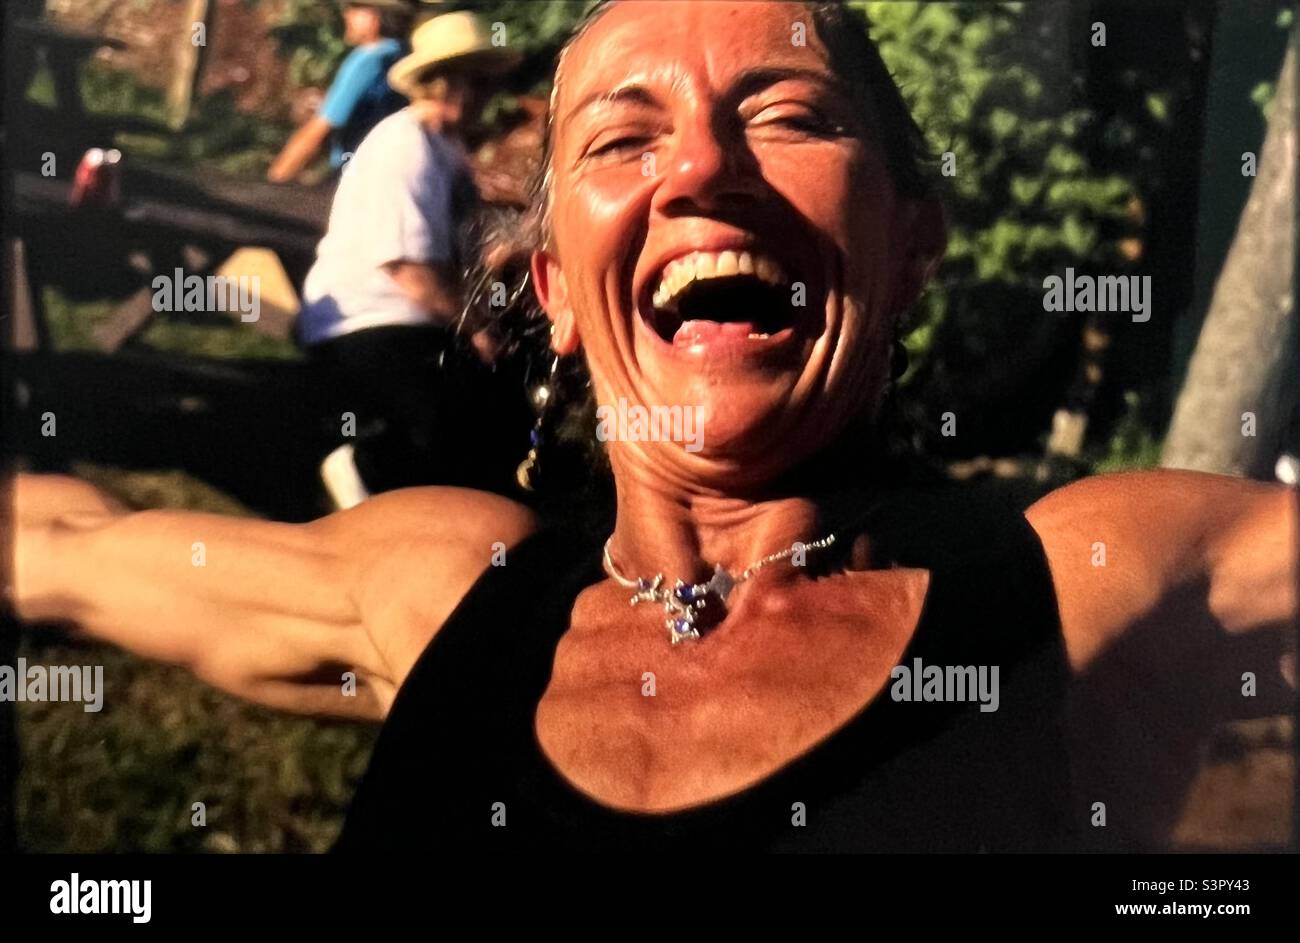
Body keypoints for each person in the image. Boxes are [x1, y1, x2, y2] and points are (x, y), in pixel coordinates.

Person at [9, 0, 1297, 852]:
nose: (698, 169)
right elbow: (65, 544)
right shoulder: (448, 591)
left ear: (912, 243)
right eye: (623, 138)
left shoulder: (1088, 588)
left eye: (788, 114)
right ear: (557, 292)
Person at [294, 9, 526, 505]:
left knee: (503, 403)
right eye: (476, 82)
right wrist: (478, 326)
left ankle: (481, 519)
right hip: (366, 317)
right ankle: (363, 467)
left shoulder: (445, 150)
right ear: (442, 82)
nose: (487, 95)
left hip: (412, 317)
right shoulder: (408, 145)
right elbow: (409, 268)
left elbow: (464, 246)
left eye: (490, 82)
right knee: (448, 420)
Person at [266, 1, 414, 184]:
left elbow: (318, 130)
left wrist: (275, 179)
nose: (346, 15)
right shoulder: (400, 53)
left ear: (377, 17)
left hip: (356, 176)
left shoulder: (369, 60)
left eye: (356, 9)